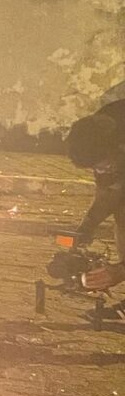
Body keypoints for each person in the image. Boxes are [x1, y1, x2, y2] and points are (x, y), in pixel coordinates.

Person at [68, 99, 125, 292]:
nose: (100, 171)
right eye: (96, 168)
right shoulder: (99, 130)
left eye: (104, 164)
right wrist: (87, 226)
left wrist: (121, 271)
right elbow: (110, 192)